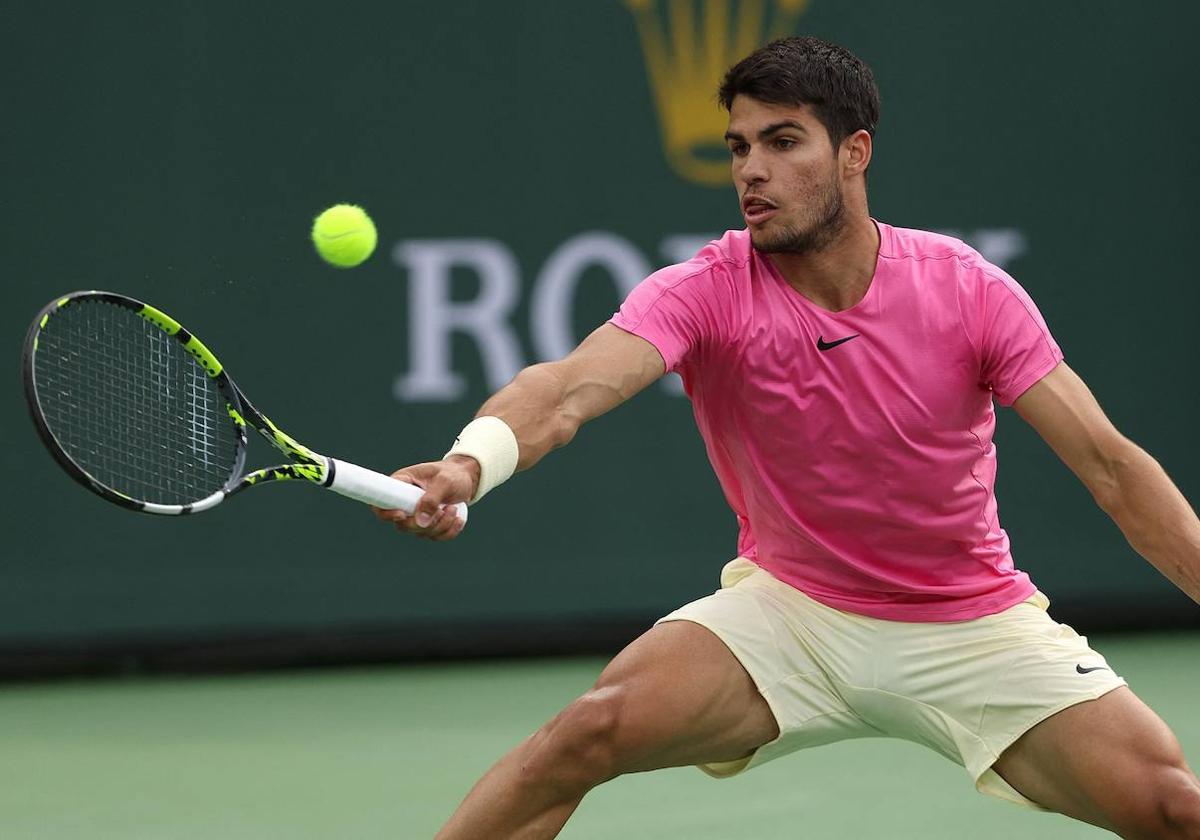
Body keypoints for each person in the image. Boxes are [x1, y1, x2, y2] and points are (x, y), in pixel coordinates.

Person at [374, 36, 1200, 839]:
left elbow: (1113, 468)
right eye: (738, 148)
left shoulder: (969, 290)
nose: (751, 171)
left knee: (1171, 809)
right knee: (586, 735)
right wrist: (469, 462)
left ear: (854, 153)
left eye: (782, 142)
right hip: (793, 617)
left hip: (971, 622)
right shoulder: (706, 289)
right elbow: (563, 391)